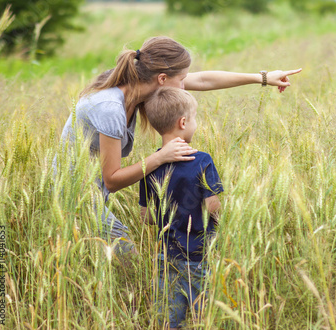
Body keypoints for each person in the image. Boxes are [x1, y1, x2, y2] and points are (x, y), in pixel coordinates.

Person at [59, 35, 301, 255]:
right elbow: (112, 179)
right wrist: (161, 157)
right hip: (70, 197)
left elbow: (204, 79)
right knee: (128, 257)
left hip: (92, 191)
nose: (185, 86)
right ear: (162, 79)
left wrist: (262, 78)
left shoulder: (140, 83)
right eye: (182, 80)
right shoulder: (110, 108)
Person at [139, 87, 221, 330]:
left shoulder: (150, 165)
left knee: (169, 320)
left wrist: (170, 214)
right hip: (200, 255)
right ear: (183, 122)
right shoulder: (203, 160)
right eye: (194, 118)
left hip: (167, 257)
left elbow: (146, 217)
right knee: (201, 319)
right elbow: (212, 206)